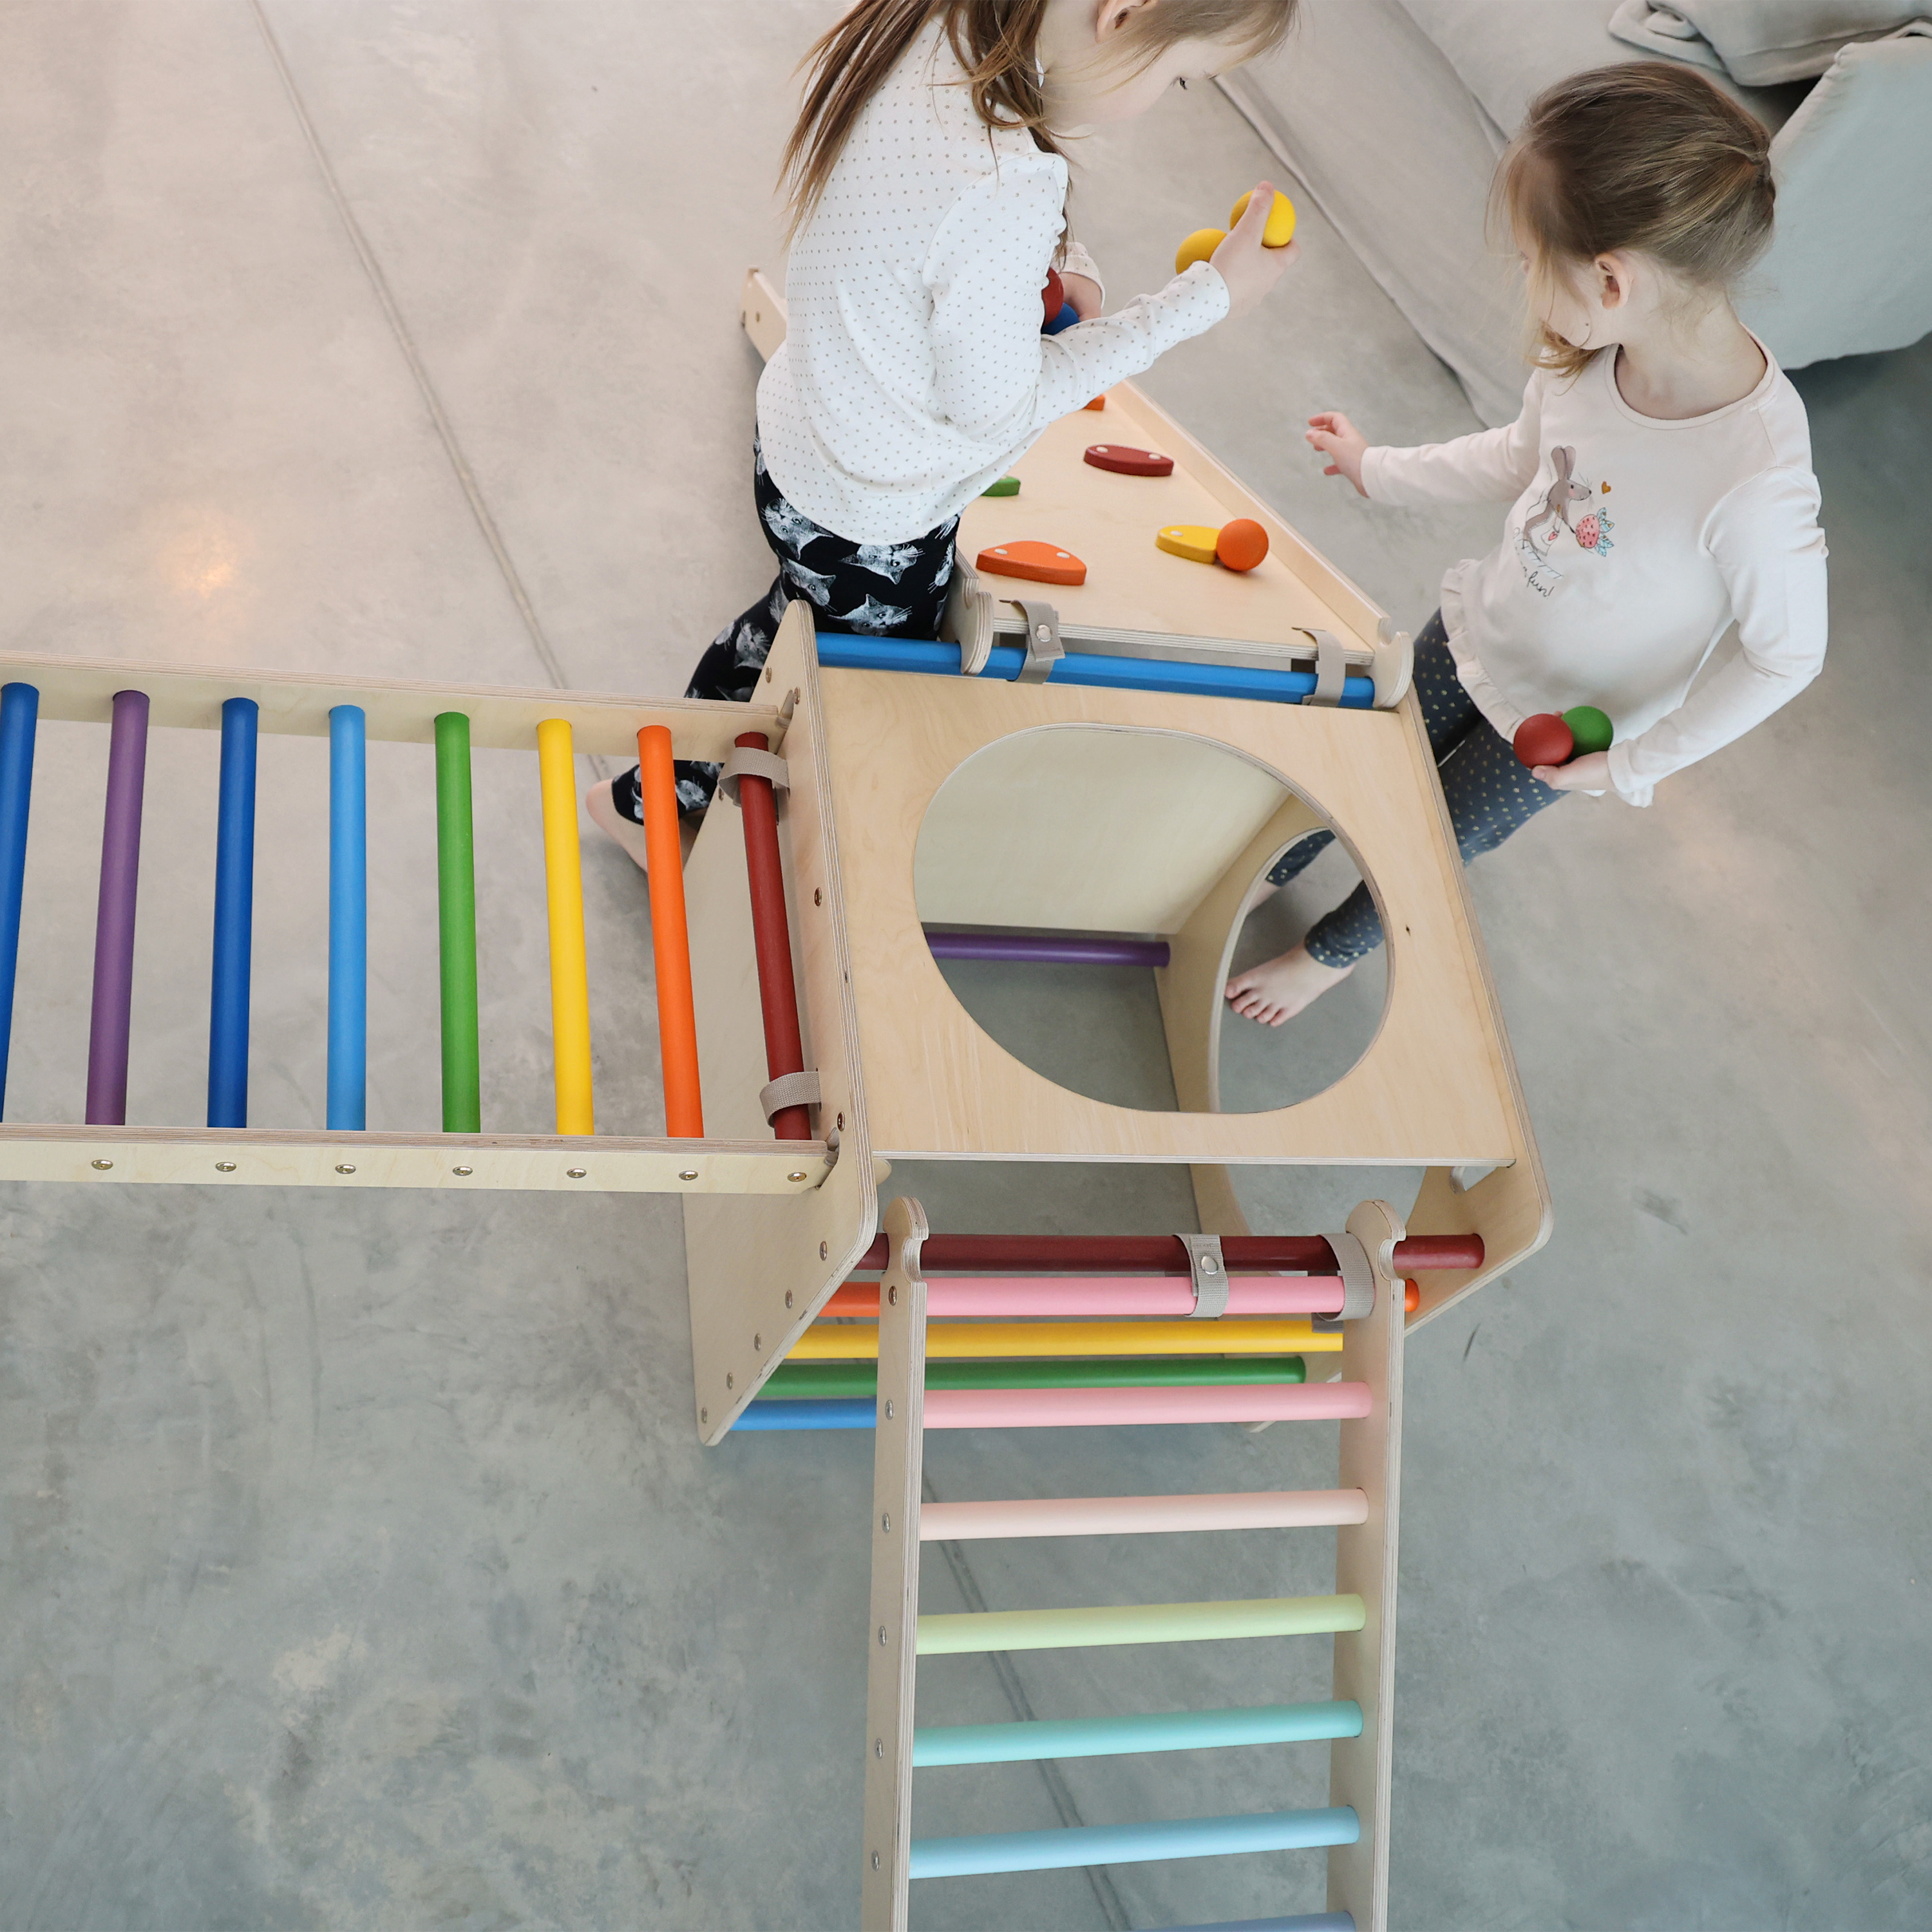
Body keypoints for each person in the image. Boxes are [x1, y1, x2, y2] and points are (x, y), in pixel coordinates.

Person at [588, 0, 1301, 863]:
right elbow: (997, 408)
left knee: (791, 618)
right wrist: (1202, 302)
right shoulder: (1005, 184)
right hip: (868, 514)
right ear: (1124, 15)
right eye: (1180, 76)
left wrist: (1059, 269)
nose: (1168, 94)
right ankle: (647, 807)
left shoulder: (940, 26)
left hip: (804, 436)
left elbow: (933, 243)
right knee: (847, 680)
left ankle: (651, 793)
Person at [1227, 61, 1828, 1026]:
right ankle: (1273, 866)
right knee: (1368, 755)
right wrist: (1381, 467)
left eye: (1525, 261)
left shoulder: (1753, 481)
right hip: (1484, 631)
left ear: (1610, 278)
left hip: (1568, 728)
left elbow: (1789, 654)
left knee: (1434, 837)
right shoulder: (1600, 357)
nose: (1519, 278)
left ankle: (1331, 950)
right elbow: (1519, 457)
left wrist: (1636, 764)